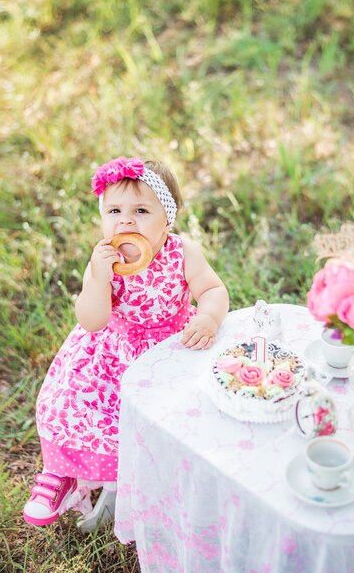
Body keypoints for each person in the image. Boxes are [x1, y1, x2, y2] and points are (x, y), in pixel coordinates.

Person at [23, 156, 229, 526]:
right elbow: (91, 319)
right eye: (114, 209)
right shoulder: (105, 262)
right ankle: (63, 474)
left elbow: (212, 288)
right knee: (68, 399)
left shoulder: (182, 253)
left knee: (181, 413)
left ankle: (164, 480)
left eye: (141, 210)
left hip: (171, 350)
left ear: (167, 220)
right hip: (112, 353)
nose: (126, 220)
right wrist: (99, 279)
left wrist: (208, 316)